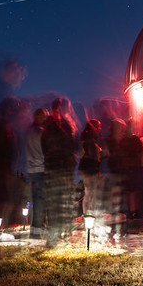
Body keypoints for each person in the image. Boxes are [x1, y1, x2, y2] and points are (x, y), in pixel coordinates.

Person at [41, 97, 78, 246]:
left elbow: (45, 148)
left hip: (53, 167)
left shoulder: (50, 127)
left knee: (55, 202)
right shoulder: (61, 127)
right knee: (62, 202)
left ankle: (56, 234)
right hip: (61, 168)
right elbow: (70, 146)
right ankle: (59, 234)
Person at [25, 108, 48, 238]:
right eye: (44, 117)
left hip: (32, 170)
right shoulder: (39, 133)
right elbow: (44, 151)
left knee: (36, 199)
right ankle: (37, 228)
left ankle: (36, 226)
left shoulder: (30, 132)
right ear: (38, 117)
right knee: (40, 200)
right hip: (40, 169)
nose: (46, 120)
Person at [78, 119, 102, 216]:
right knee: (90, 191)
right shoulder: (90, 139)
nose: (100, 129)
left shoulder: (86, 137)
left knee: (88, 191)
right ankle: (88, 213)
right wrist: (98, 152)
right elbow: (92, 155)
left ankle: (87, 212)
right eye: (98, 127)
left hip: (85, 166)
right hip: (89, 167)